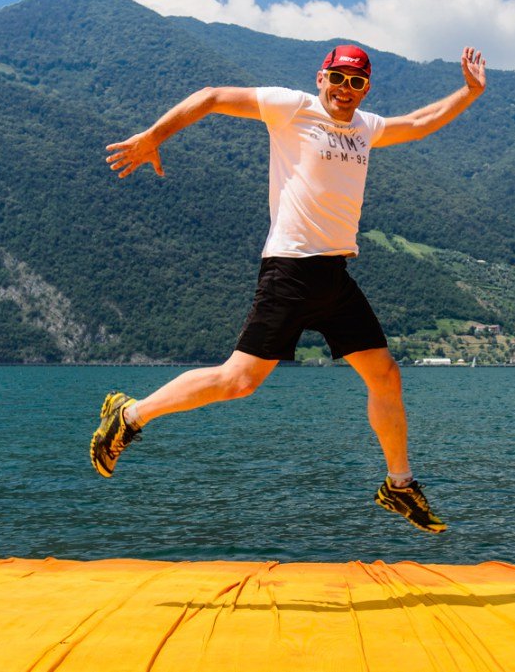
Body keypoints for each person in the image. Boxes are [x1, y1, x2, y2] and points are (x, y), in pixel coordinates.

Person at [92, 43, 486, 533]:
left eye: (356, 82)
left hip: (335, 276)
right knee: (239, 381)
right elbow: (213, 96)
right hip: (291, 271)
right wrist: (153, 137)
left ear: (366, 89)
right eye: (338, 79)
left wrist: (469, 93)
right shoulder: (292, 107)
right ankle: (128, 415)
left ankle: (399, 486)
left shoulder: (366, 128)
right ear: (321, 78)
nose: (345, 90)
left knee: (384, 375)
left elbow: (421, 121)